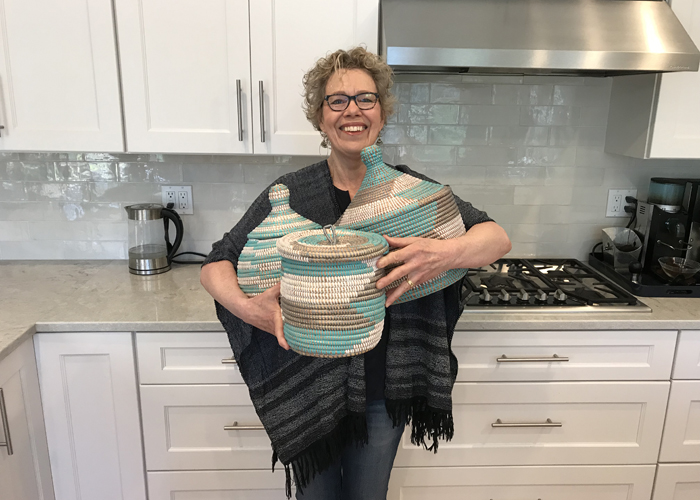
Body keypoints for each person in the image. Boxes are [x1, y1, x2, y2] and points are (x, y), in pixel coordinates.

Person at [200, 47, 511, 500]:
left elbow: (496, 237)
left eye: (366, 99)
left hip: (386, 382)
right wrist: (252, 310)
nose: (352, 111)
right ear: (321, 119)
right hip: (305, 379)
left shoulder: (412, 194)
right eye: (337, 100)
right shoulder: (291, 192)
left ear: (382, 113)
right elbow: (216, 263)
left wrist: (444, 254)